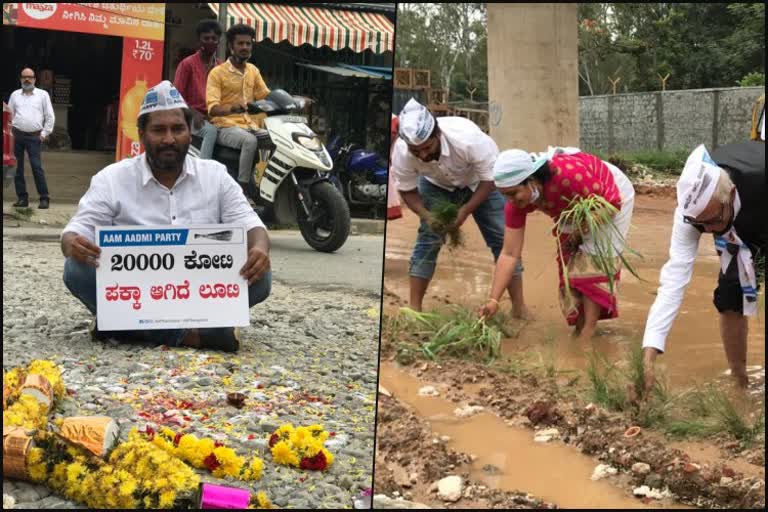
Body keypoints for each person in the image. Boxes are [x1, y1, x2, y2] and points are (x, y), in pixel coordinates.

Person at [60, 81, 272, 352]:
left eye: (178, 129)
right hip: (136, 293)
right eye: (159, 130)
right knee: (75, 270)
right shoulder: (112, 179)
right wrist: (72, 242)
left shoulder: (215, 176)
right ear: (141, 134)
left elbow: (252, 225)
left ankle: (126, 327)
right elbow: (77, 230)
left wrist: (259, 248)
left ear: (190, 132)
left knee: (261, 277)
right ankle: (193, 335)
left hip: (199, 293)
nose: (169, 139)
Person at [642, 142, 765, 392]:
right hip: (738, 229)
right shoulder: (691, 211)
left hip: (761, 206)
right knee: (730, 294)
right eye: (701, 225)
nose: (707, 231)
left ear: (730, 194)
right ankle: (739, 382)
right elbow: (673, 280)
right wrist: (648, 357)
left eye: (713, 221)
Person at [479, 147, 635, 340]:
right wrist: (493, 300)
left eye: (513, 193)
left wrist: (578, 233)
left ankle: (588, 332)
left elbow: (607, 206)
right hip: (572, 206)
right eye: (505, 196)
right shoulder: (516, 205)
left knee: (593, 260)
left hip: (607, 197)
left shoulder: (568, 177)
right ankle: (580, 325)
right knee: (569, 262)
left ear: (532, 180)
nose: (510, 201)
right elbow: (510, 253)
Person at [391, 98, 527, 315]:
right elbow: (407, 190)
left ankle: (519, 308)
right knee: (428, 239)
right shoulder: (402, 152)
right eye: (416, 152)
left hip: (480, 183)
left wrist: (465, 211)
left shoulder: (468, 140)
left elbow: (490, 180)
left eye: (427, 148)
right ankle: (414, 310)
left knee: (503, 241)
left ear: (437, 135)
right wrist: (427, 215)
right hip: (435, 185)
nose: (423, 155)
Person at [206, 23, 271, 196]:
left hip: (249, 125)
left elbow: (265, 95)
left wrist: (293, 100)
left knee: (275, 141)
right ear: (230, 46)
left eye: (248, 44)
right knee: (249, 141)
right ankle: (242, 191)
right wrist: (233, 108)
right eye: (240, 43)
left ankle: (262, 185)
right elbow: (212, 109)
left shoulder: (253, 71)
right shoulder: (217, 73)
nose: (245, 47)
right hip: (224, 126)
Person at [173, 19, 223, 160]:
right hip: (189, 116)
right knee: (210, 132)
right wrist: (192, 112)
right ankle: (203, 168)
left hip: (214, 117)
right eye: (206, 38)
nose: (210, 42)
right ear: (199, 40)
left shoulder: (221, 67)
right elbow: (175, 96)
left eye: (214, 38)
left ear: (219, 41)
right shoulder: (187, 64)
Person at [8, 67, 54, 209]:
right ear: (20, 79)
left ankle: (44, 198)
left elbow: (49, 116)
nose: (27, 79)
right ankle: (22, 198)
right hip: (17, 136)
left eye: (30, 77)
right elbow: (9, 116)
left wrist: (44, 134)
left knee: (36, 167)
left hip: (35, 137)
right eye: (24, 77)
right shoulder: (15, 95)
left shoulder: (43, 95)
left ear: (34, 79)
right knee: (17, 168)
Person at [387, 114, 402, 220]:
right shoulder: (394, 117)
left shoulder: (393, 118)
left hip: (396, 146)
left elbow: (392, 134)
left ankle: (392, 210)